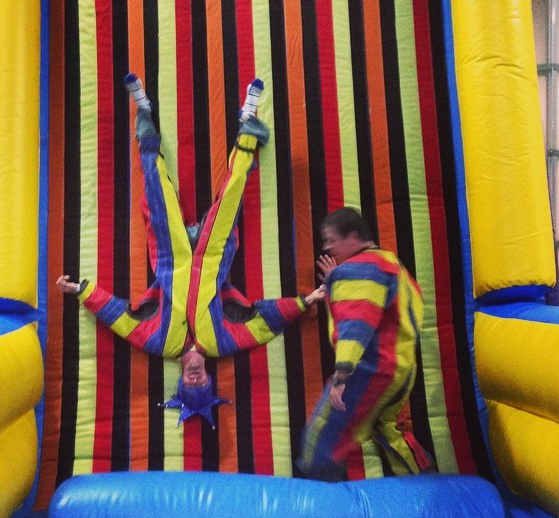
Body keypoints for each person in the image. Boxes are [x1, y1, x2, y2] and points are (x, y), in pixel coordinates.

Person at [58, 75, 325, 424]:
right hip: (214, 255)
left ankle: (144, 115)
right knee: (233, 193)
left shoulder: (160, 344)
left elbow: (120, 317)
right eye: (202, 382)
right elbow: (262, 322)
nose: (196, 378)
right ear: (210, 376)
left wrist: (82, 291)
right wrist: (305, 302)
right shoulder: (222, 343)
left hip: (171, 255)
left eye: (190, 382)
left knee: (155, 188)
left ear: (181, 379)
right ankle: (248, 122)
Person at [297, 206, 432, 481]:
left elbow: (354, 327)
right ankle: (421, 491)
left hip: (370, 368)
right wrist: (338, 282)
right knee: (389, 431)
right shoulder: (391, 263)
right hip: (401, 369)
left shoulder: (362, 268)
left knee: (320, 439)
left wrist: (341, 376)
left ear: (353, 238)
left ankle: (325, 512)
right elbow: (409, 309)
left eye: (331, 240)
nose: (326, 247)